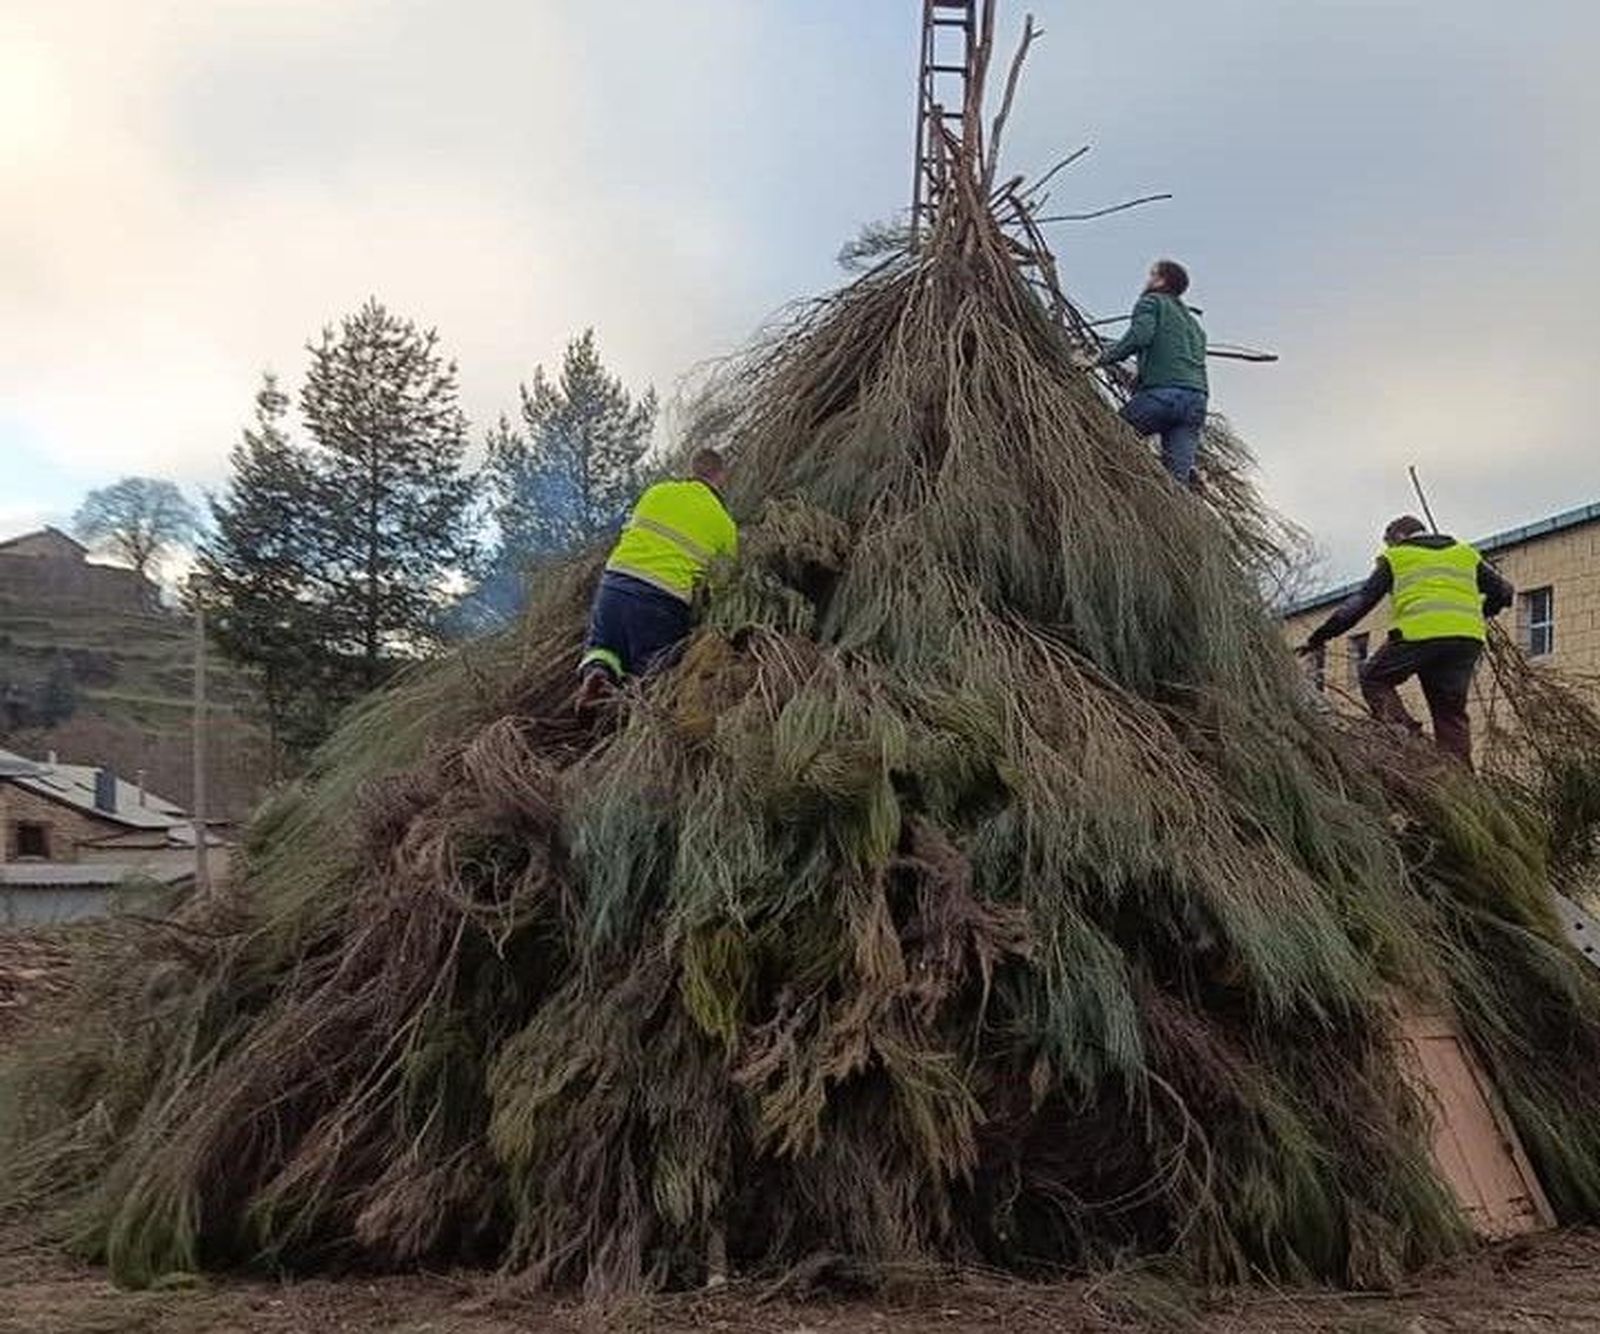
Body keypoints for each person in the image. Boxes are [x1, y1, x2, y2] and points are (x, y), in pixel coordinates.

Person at [1296, 515, 1513, 766]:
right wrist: (1481, 613)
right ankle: (1460, 776)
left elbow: (1360, 603)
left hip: (1419, 635)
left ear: (1398, 537)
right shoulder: (1465, 554)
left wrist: (1320, 636)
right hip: (1466, 640)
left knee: (1373, 678)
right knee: (1450, 713)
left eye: (1389, 543)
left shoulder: (1396, 556)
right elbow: (1504, 592)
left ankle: (1409, 740)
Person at [575, 448, 738, 710]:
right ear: (722, 477)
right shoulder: (725, 525)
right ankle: (637, 718)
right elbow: (721, 587)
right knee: (654, 673)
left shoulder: (656, 492)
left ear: (692, 470)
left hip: (614, 582)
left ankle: (598, 673)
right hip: (662, 599)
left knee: (604, 645)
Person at [1081, 259, 1209, 486]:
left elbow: (1140, 337)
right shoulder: (1194, 325)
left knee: (1110, 435)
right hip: (1196, 401)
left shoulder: (1151, 302)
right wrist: (1141, 377)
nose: (1148, 280)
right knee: (1176, 484)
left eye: (1152, 275)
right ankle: (1187, 485)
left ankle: (1103, 486)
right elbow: (1179, 360)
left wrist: (1097, 360)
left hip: (1164, 395)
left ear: (1161, 280)